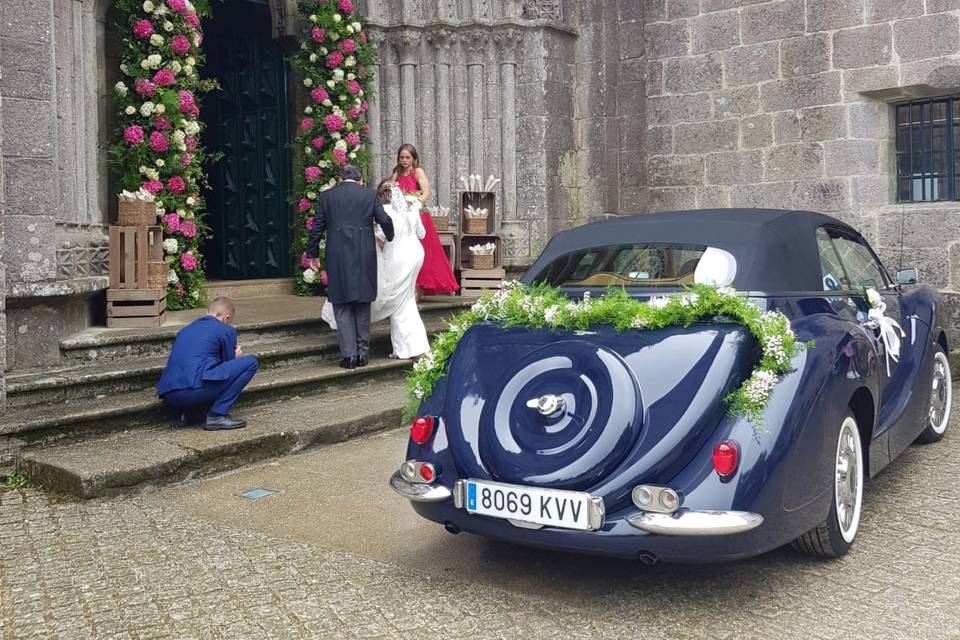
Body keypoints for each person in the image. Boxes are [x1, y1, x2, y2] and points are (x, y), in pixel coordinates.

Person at [320, 181, 430, 359]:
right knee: (406, 299)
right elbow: (422, 233)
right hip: (416, 253)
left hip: (398, 257)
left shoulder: (386, 211)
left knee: (398, 302)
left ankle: (405, 348)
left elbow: (382, 238)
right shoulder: (412, 208)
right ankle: (411, 346)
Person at [307, 164, 395, 369]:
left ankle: (348, 356)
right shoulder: (369, 195)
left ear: (339, 178)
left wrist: (312, 254)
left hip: (337, 254)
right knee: (362, 303)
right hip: (364, 253)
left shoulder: (327, 197)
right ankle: (362, 354)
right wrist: (390, 236)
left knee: (342, 304)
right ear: (360, 178)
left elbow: (317, 226)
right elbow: (384, 219)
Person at [156, 296, 259, 430]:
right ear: (226, 318)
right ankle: (216, 415)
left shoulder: (185, 330)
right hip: (192, 392)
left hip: (169, 394)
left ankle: (192, 413)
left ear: (207, 312)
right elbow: (227, 370)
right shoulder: (226, 330)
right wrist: (235, 357)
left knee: (205, 372)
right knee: (251, 363)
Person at [388, 144, 459, 297]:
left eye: (408, 157)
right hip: (402, 218)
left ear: (414, 158)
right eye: (402, 157)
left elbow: (426, 193)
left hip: (418, 216)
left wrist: (414, 201)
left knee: (424, 251)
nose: (404, 160)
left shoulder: (417, 172)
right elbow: (390, 190)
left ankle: (421, 287)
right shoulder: (397, 173)